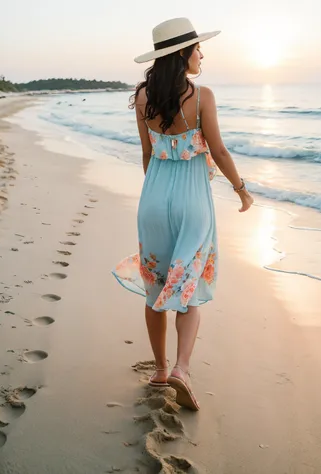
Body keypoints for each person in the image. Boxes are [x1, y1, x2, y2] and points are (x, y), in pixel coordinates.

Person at [112, 17, 254, 410]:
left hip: (153, 199)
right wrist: (242, 191)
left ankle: (159, 370)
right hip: (193, 203)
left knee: (156, 286)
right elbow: (220, 152)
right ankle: (182, 369)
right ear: (181, 53)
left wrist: (156, 195)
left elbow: (146, 153)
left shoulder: (142, 96)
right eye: (197, 48)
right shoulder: (203, 95)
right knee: (188, 288)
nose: (202, 53)